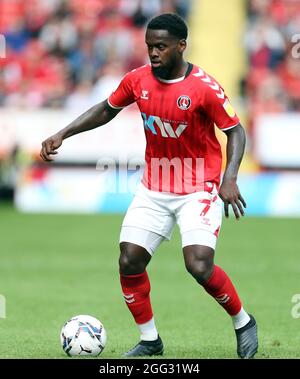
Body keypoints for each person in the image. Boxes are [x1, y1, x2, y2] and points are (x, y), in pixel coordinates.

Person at [40, 13, 258, 359]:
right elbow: (106, 109)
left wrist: (229, 177)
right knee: (129, 260)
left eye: (161, 46)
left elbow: (235, 130)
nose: (153, 53)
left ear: (181, 46)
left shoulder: (203, 87)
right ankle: (150, 340)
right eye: (149, 46)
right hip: (154, 187)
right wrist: (62, 134)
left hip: (198, 186)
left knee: (198, 265)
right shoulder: (137, 80)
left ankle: (243, 321)